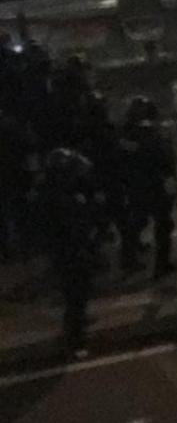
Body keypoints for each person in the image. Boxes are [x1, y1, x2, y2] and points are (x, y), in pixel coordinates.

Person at [40, 148, 100, 353]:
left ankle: (76, 327)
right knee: (75, 293)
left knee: (79, 292)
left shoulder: (61, 193)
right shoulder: (58, 198)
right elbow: (69, 228)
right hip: (69, 252)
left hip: (71, 251)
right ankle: (75, 341)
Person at [115, 95, 177, 279]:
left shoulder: (128, 134)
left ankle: (131, 259)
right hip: (149, 183)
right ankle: (159, 264)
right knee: (157, 223)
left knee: (141, 221)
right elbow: (160, 158)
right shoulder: (144, 133)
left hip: (140, 184)